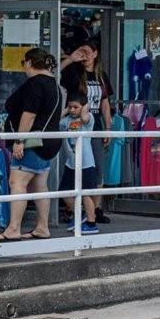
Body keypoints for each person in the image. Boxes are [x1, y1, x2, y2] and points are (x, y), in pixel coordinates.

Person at [0, 47, 62, 241]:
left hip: (33, 142)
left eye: (24, 63)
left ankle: (14, 228)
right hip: (48, 142)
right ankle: (42, 227)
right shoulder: (53, 84)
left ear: (30, 62)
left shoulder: (35, 84)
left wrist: (19, 140)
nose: (24, 67)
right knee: (40, 185)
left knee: (17, 182)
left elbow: (29, 114)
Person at [59, 91, 101, 234]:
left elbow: (84, 118)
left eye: (75, 107)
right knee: (64, 192)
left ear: (84, 107)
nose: (72, 110)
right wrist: (65, 110)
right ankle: (80, 214)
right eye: (70, 107)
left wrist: (85, 108)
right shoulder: (66, 121)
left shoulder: (88, 119)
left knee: (86, 193)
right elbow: (55, 121)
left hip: (86, 163)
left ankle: (91, 223)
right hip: (71, 163)